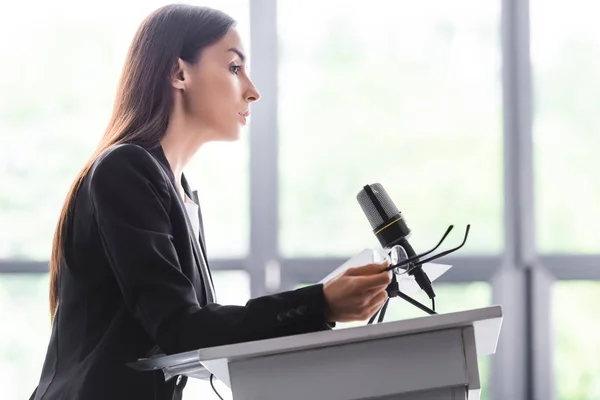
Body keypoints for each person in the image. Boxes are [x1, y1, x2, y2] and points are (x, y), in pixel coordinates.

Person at [30, 4, 391, 400]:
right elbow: (181, 328)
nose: (252, 91)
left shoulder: (177, 189)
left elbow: (196, 331)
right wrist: (319, 303)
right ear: (179, 73)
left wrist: (320, 306)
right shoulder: (125, 169)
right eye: (234, 68)